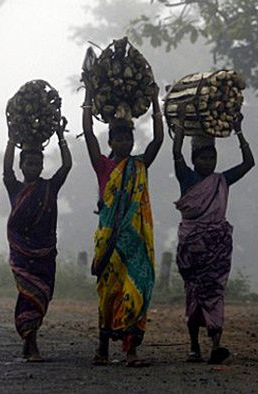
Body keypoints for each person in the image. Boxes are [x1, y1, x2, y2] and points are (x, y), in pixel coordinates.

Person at [82, 82, 163, 367]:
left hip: (136, 242)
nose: (124, 143)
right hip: (109, 242)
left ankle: (131, 351)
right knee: (108, 294)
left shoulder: (139, 165)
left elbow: (158, 142)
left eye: (128, 139)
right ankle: (102, 348)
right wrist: (88, 98)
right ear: (111, 142)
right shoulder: (103, 166)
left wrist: (155, 102)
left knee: (136, 288)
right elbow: (89, 134)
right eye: (118, 139)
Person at [171, 115, 254, 365]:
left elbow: (249, 163)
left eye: (212, 158)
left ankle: (216, 345)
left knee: (215, 292)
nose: (208, 162)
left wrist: (239, 132)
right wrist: (180, 132)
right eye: (203, 158)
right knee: (194, 293)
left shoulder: (222, 180)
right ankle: (194, 346)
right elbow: (176, 154)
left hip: (216, 247)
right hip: (192, 247)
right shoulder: (186, 177)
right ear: (194, 160)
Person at [3, 117, 72, 362]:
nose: (33, 166)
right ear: (22, 166)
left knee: (43, 296)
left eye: (38, 162)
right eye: (29, 163)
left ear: (42, 165)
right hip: (23, 255)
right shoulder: (15, 188)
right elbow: (6, 169)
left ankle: (29, 339)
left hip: (45, 254)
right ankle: (31, 343)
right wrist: (12, 140)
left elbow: (66, 167)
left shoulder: (49, 187)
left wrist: (61, 137)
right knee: (28, 294)